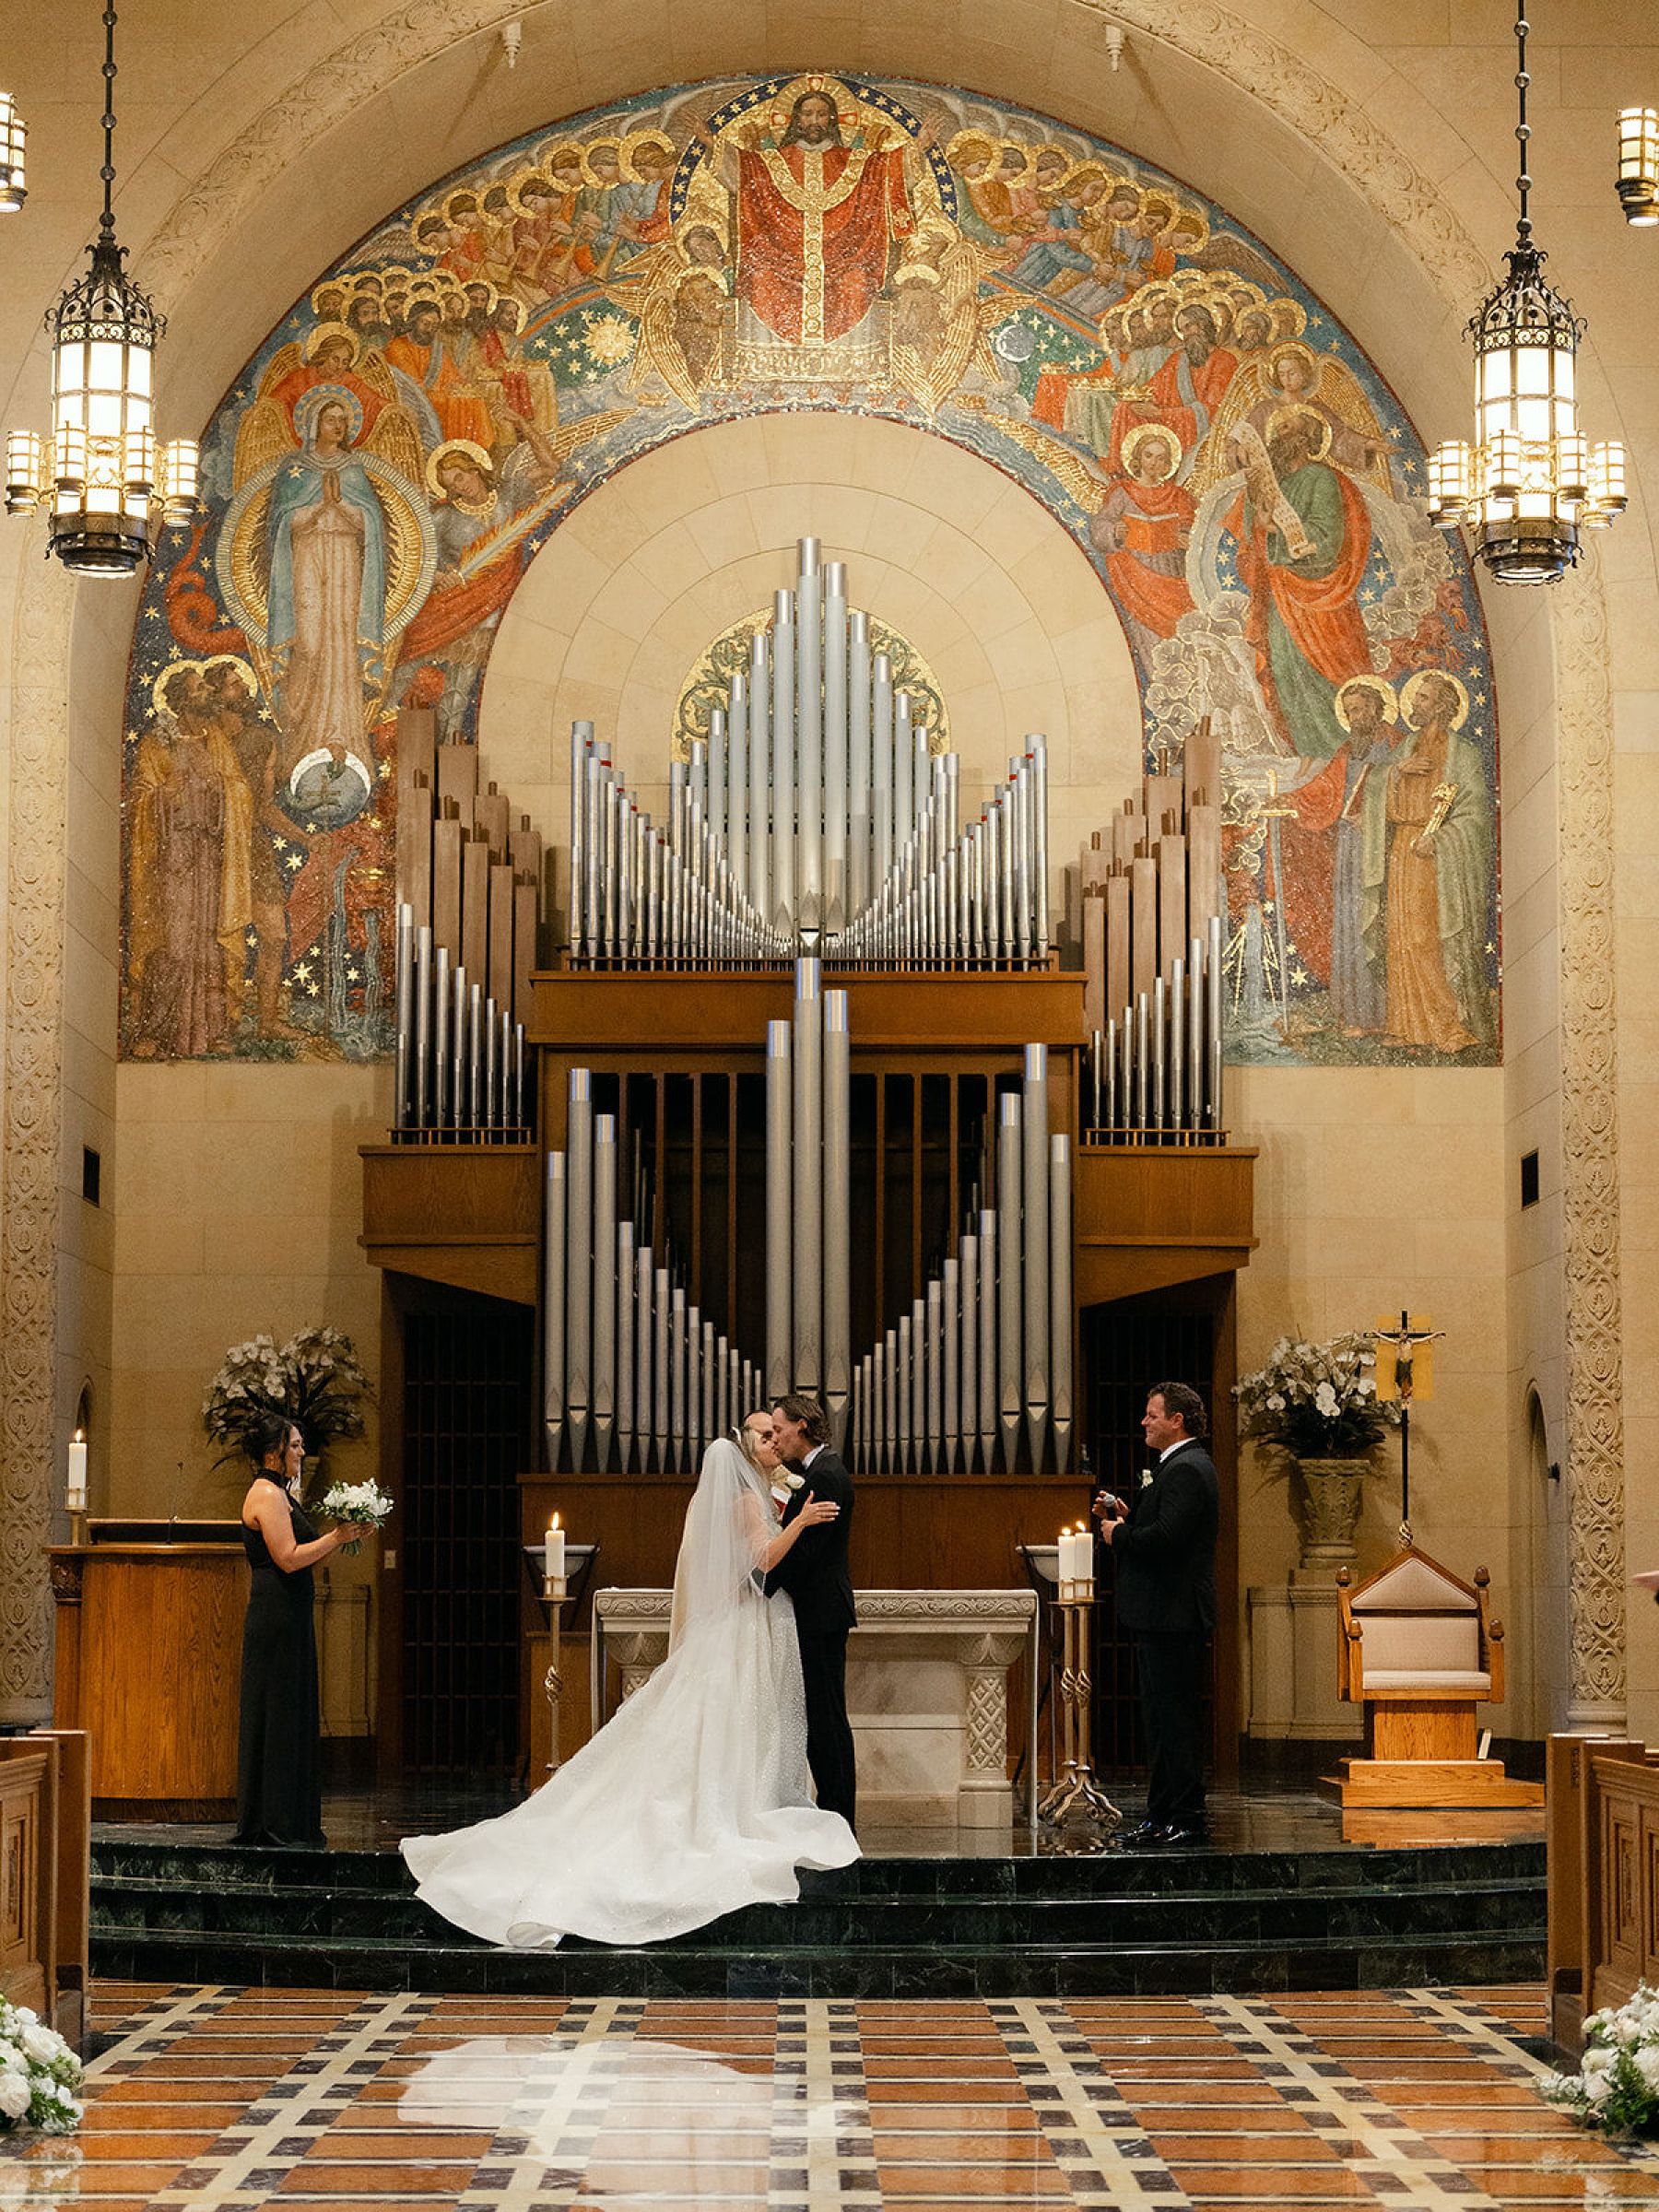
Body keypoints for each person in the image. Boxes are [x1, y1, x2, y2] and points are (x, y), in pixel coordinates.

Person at [402, 1419, 858, 1946]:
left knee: (731, 1721)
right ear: (743, 1453)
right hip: (742, 1629)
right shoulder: (744, 1499)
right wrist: (798, 1523)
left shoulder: (747, 1494)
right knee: (733, 1719)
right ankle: (727, 1809)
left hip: (740, 1626)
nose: (773, 1442)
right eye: (763, 1436)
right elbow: (762, 1560)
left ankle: (735, 1799)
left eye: (775, 1434)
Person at [235, 1414, 372, 1847]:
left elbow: (307, 1557)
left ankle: (291, 1817)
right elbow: (288, 1558)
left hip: (290, 1612)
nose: (301, 1452)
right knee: (277, 1710)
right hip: (275, 1615)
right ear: (273, 1452)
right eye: (294, 1445)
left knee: (292, 1709)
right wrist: (335, 1537)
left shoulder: (283, 1495)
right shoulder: (266, 1494)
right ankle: (273, 1819)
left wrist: (346, 1535)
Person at [1094, 1382, 1219, 1848]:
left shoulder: (1187, 1468)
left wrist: (1119, 1535)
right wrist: (1129, 1517)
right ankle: (1161, 1814)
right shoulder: (1179, 1465)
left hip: (1174, 1614)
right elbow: (1165, 1526)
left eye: (1152, 1414)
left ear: (1176, 1421)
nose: (1144, 1422)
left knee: (1175, 1722)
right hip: (1163, 1614)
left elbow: (1168, 1540)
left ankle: (1185, 1817)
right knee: (1161, 1722)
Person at [765, 1394, 858, 1830]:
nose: (775, 1438)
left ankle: (840, 1819)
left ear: (801, 1426)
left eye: (778, 1429)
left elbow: (807, 1553)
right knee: (819, 1718)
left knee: (827, 1719)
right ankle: (833, 1816)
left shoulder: (826, 1475)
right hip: (816, 1612)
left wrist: (762, 1582)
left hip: (820, 1614)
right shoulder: (813, 1473)